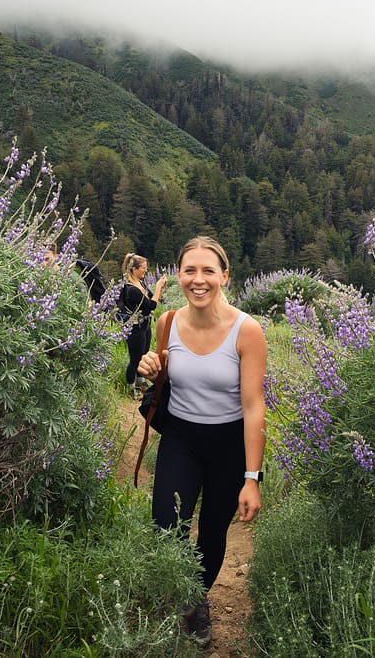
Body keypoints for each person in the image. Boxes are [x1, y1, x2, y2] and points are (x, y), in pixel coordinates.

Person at [136, 236, 267, 647]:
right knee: (165, 525)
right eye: (190, 270)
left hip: (228, 444)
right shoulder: (168, 322)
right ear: (179, 275)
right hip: (181, 437)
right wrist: (150, 366)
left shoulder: (247, 331)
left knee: (211, 533)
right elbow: (160, 377)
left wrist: (252, 478)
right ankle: (178, 597)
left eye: (208, 270)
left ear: (225, 276)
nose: (198, 279)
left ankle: (197, 602)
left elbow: (253, 408)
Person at [120, 252, 168, 395]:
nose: (146, 270)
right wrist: (158, 287)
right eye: (143, 268)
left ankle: (141, 382)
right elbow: (150, 306)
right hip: (135, 328)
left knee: (144, 355)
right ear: (134, 269)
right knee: (135, 359)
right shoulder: (131, 289)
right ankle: (130, 388)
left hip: (144, 325)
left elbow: (152, 297)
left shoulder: (140, 283)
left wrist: (160, 289)